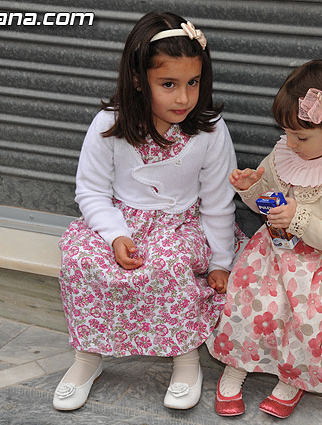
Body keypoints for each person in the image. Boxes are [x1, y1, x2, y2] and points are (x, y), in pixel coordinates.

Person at [54, 12, 237, 411]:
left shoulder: (208, 130)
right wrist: (116, 235)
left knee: (169, 263)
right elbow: (90, 192)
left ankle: (185, 357)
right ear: (139, 80)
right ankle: (88, 358)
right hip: (119, 221)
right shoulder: (110, 125)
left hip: (181, 225)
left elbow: (219, 201)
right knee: (80, 258)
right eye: (168, 84)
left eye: (193, 83)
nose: (184, 98)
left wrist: (222, 260)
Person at [206, 59, 322, 418]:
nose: (290, 144)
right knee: (249, 291)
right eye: (286, 133)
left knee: (306, 308)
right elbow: (268, 202)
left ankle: (293, 374)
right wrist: (253, 188)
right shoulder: (284, 155)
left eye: (301, 137)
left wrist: (299, 218)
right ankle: (236, 363)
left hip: (320, 262)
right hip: (273, 250)